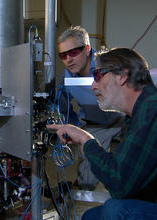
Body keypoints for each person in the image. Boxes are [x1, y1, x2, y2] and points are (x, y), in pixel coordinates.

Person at [47, 48, 157, 219]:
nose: (92, 86)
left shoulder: (151, 110)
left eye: (98, 75)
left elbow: (118, 183)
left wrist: (86, 140)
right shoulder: (139, 113)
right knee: (91, 216)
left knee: (115, 209)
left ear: (122, 75)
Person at [56, 26, 125, 190]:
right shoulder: (65, 78)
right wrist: (75, 127)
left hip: (123, 118)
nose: (68, 59)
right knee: (87, 174)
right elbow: (61, 104)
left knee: (135, 162)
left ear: (87, 49)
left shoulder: (108, 64)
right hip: (95, 123)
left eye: (73, 52)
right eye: (63, 55)